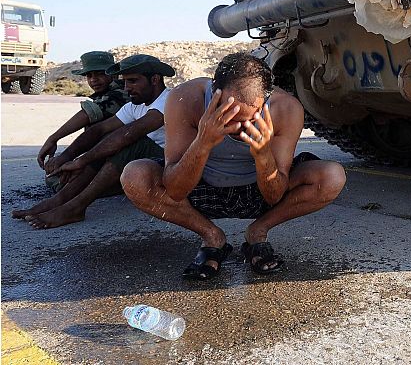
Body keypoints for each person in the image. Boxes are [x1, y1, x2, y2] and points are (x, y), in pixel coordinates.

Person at [122, 52, 346, 281]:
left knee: (331, 176)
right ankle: (212, 237)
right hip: (200, 187)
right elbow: (176, 190)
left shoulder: (287, 109)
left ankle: (258, 232)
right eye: (228, 114)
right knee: (135, 176)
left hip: (258, 191)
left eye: (249, 117)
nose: (239, 126)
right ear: (214, 93)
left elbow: (274, 196)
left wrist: (263, 155)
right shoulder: (185, 98)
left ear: (265, 100)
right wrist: (202, 143)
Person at [13, 55, 174, 229]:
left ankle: (76, 207)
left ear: (155, 79)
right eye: (125, 82)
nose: (127, 88)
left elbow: (129, 134)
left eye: (133, 81)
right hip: (145, 167)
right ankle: (59, 200)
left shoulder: (170, 100)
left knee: (131, 143)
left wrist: (82, 160)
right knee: (105, 140)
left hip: (175, 169)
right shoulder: (136, 105)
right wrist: (68, 156)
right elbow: (100, 130)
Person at [38, 51, 129, 192]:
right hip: (108, 154)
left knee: (62, 182)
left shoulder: (122, 93)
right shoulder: (106, 94)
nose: (93, 79)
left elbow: (89, 113)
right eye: (89, 75)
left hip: (126, 156)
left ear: (114, 74)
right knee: (59, 176)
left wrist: (53, 139)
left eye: (99, 74)